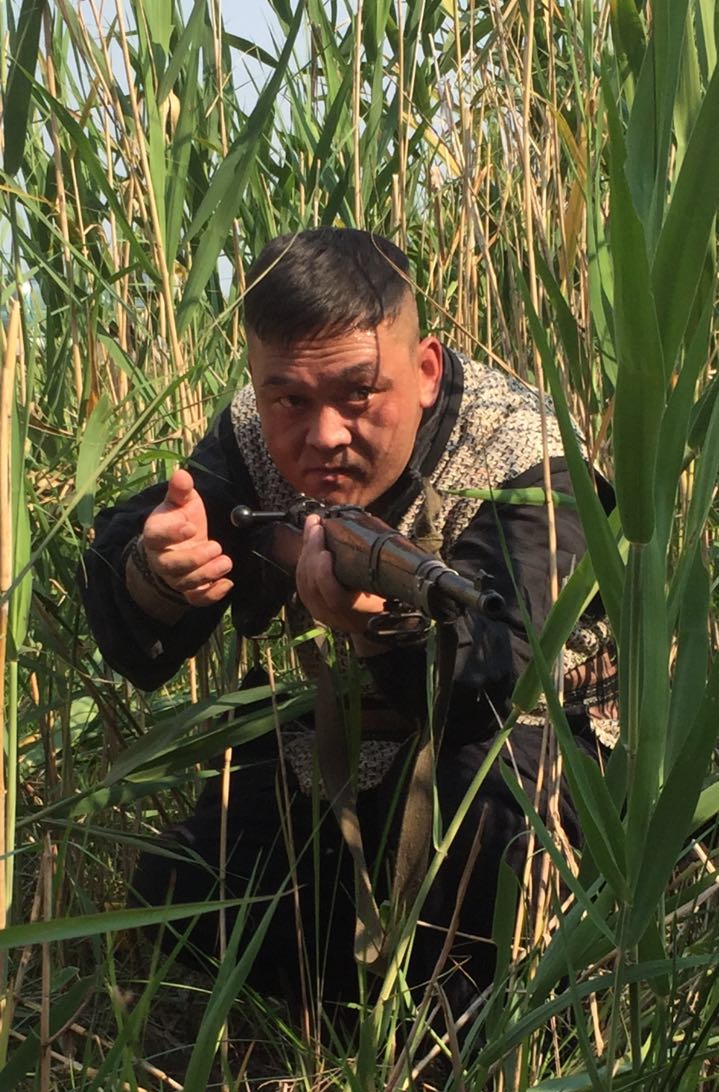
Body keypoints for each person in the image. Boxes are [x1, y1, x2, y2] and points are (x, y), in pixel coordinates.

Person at [81, 228, 615, 1018]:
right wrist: (157, 572)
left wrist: (377, 625)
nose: (323, 434)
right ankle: (351, 997)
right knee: (182, 893)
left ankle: (475, 1031)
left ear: (426, 370)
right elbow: (135, 574)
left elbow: (495, 671)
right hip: (347, 748)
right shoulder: (251, 430)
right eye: (289, 398)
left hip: (540, 748)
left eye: (359, 393)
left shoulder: (532, 459)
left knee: (485, 821)